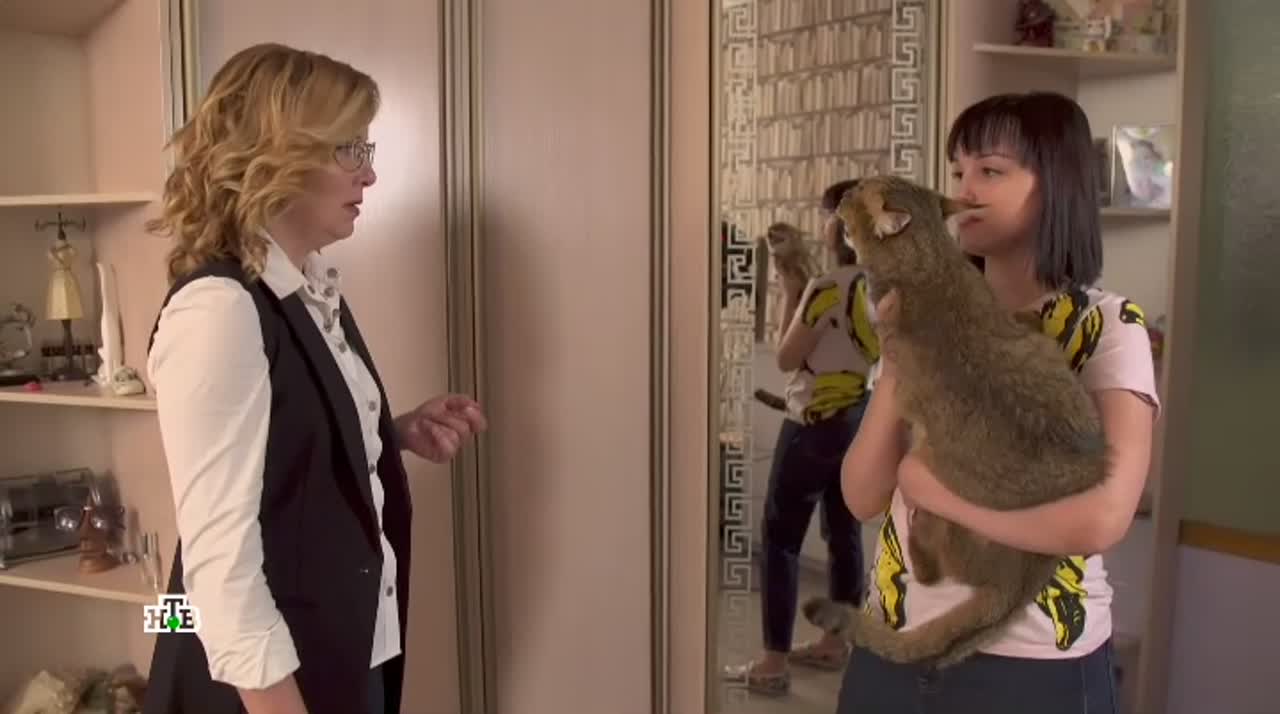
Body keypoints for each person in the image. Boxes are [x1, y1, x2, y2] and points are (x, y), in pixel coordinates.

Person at [140, 43, 488, 714]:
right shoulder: (217, 311)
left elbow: (283, 444)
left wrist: (389, 434)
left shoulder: (306, 287)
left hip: (344, 650)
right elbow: (221, 578)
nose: (370, 174)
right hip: (270, 687)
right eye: (348, 150)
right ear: (276, 156)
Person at [837, 91, 1158, 714]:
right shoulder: (924, 316)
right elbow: (862, 496)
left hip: (1030, 668)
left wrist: (943, 497)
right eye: (958, 170)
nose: (965, 190)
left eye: (991, 170)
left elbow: (1102, 518)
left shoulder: (1105, 325)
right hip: (890, 653)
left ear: (1056, 183)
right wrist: (900, 358)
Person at [724, 180, 880, 695]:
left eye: (827, 216)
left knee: (781, 540)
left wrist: (797, 288)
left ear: (840, 225)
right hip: (857, 419)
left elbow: (789, 358)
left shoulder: (828, 287)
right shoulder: (882, 286)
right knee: (844, 533)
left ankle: (772, 662)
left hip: (811, 423)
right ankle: (836, 642)